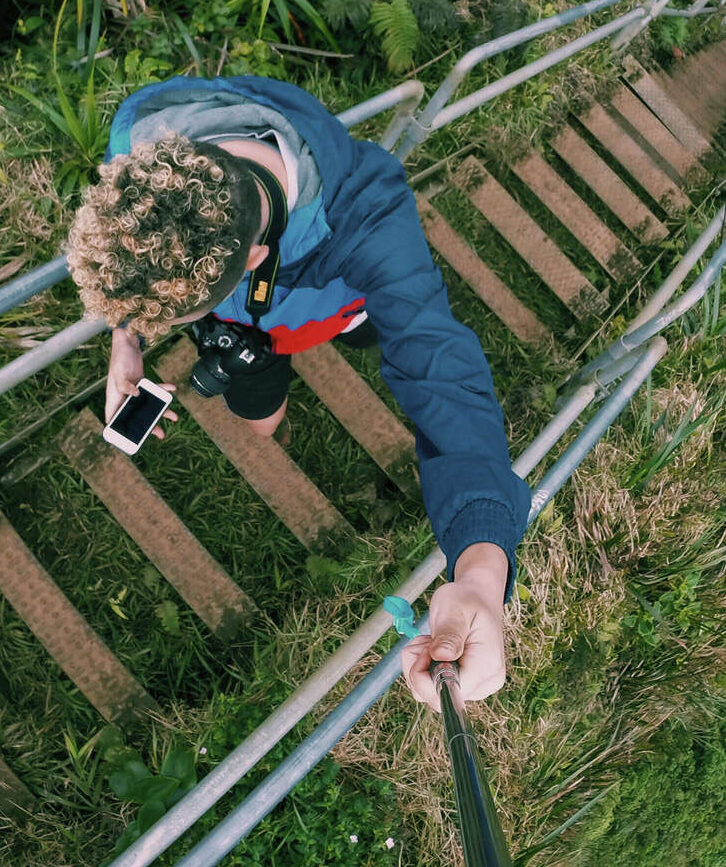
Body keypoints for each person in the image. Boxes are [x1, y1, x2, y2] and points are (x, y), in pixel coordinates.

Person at [63, 74, 529, 713]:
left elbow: (442, 377)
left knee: (373, 337)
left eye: (163, 321)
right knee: (261, 422)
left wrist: (480, 570)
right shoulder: (142, 136)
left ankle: (355, 328)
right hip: (244, 323)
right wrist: (126, 343)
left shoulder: (372, 221)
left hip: (335, 304)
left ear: (253, 261)